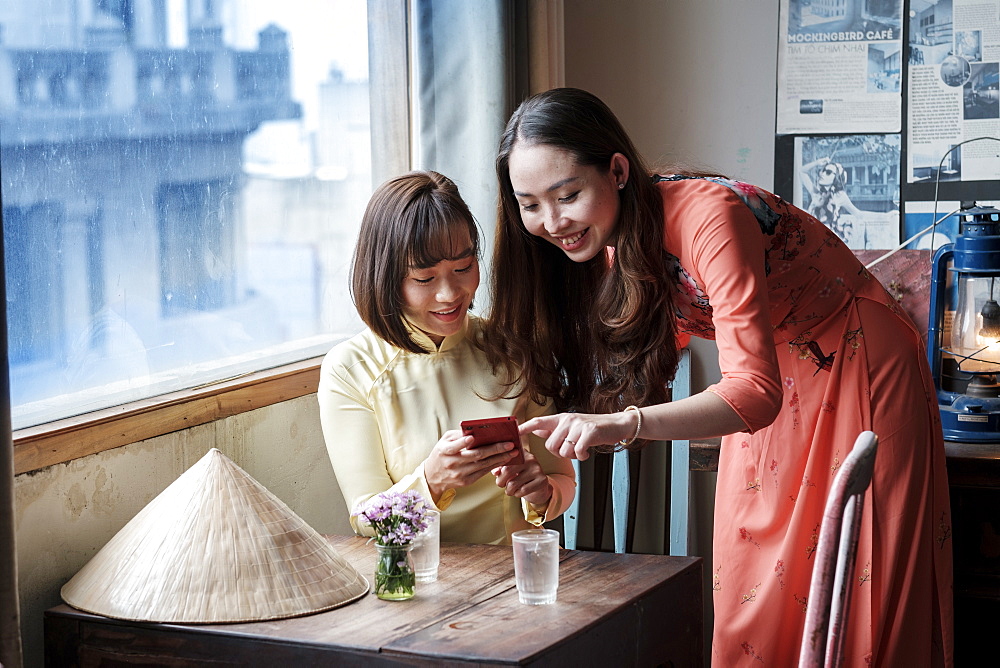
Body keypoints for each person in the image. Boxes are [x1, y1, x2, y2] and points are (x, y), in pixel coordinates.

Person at [482, 88, 953, 666]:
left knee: (852, 583)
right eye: (530, 204)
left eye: (568, 194)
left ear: (618, 171)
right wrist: (556, 464)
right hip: (771, 374)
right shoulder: (606, 243)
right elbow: (632, 385)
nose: (552, 222)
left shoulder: (711, 218)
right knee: (753, 585)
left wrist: (621, 426)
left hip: (857, 360)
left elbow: (752, 394)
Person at [317, 170, 575, 546]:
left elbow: (562, 482)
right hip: (416, 581)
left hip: (510, 578)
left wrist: (540, 492)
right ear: (385, 278)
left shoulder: (513, 350)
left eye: (463, 268)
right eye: (424, 279)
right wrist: (432, 480)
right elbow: (365, 517)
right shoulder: (351, 369)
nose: (450, 294)